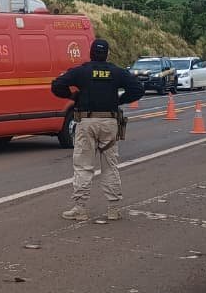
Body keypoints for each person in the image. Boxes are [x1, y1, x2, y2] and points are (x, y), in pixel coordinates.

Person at [51, 38, 144, 221]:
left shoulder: (81, 71)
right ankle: (113, 208)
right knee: (110, 166)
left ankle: (80, 208)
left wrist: (73, 96)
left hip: (86, 122)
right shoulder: (117, 72)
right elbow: (138, 88)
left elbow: (57, 85)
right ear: (107, 54)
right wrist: (119, 100)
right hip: (109, 122)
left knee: (84, 166)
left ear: (90, 53)